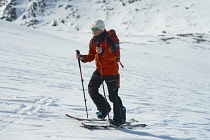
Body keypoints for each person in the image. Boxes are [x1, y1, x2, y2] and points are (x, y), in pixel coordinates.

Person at [76, 20, 126, 126]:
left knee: (113, 96)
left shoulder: (108, 40)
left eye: (96, 29)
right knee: (92, 89)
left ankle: (119, 118)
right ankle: (104, 109)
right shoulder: (93, 41)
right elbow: (92, 54)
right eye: (92, 29)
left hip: (111, 72)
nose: (93, 31)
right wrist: (83, 57)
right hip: (99, 70)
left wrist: (103, 52)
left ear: (102, 29)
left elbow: (114, 56)